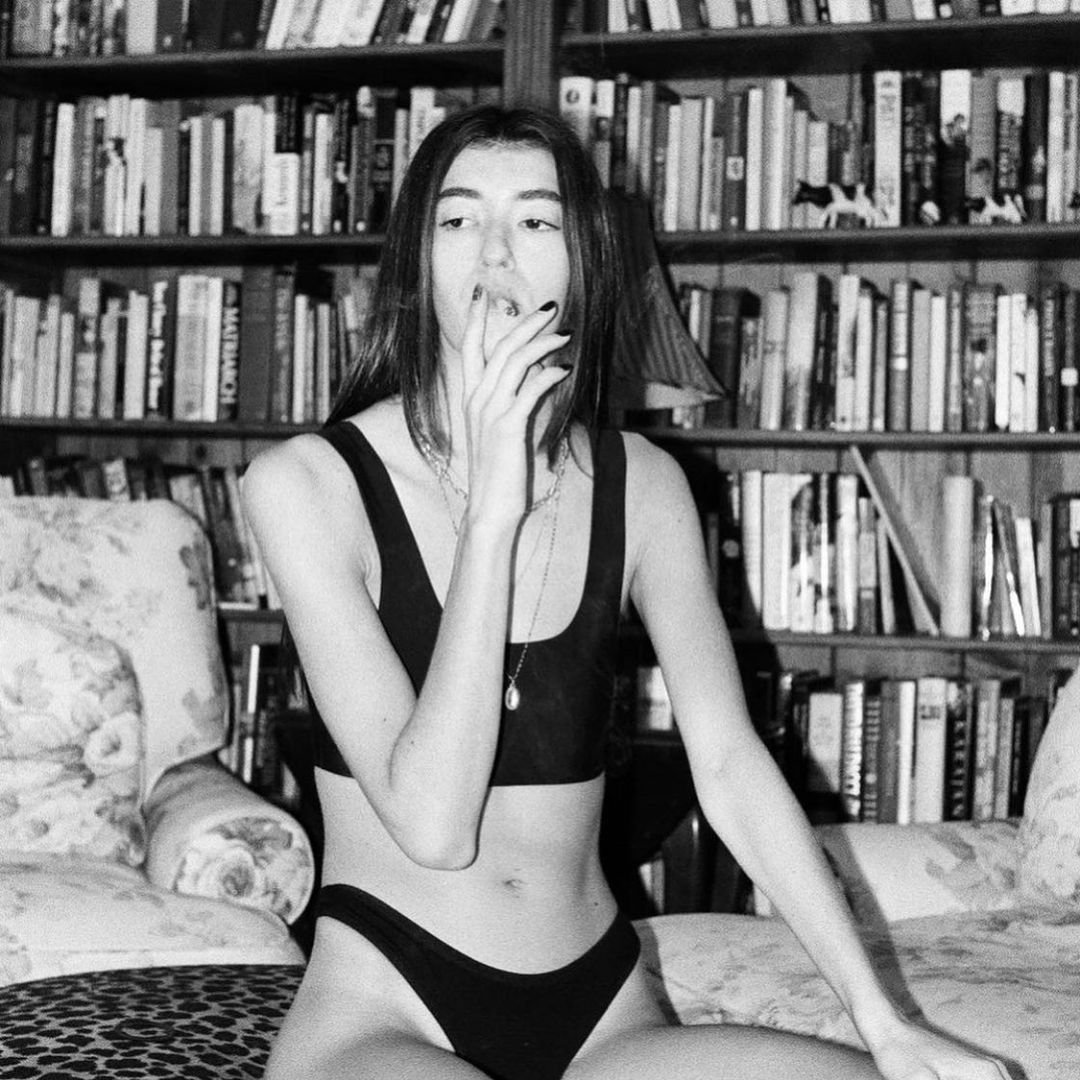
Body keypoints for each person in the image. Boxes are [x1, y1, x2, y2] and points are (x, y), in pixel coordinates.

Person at [242, 103, 1012, 1080]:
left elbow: (728, 764)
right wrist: (494, 514)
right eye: (458, 218)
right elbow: (430, 828)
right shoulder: (306, 485)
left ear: (582, 262)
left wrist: (883, 1023)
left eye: (535, 220)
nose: (494, 252)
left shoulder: (643, 483)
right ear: (415, 261)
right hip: (387, 1006)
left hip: (602, 1009)